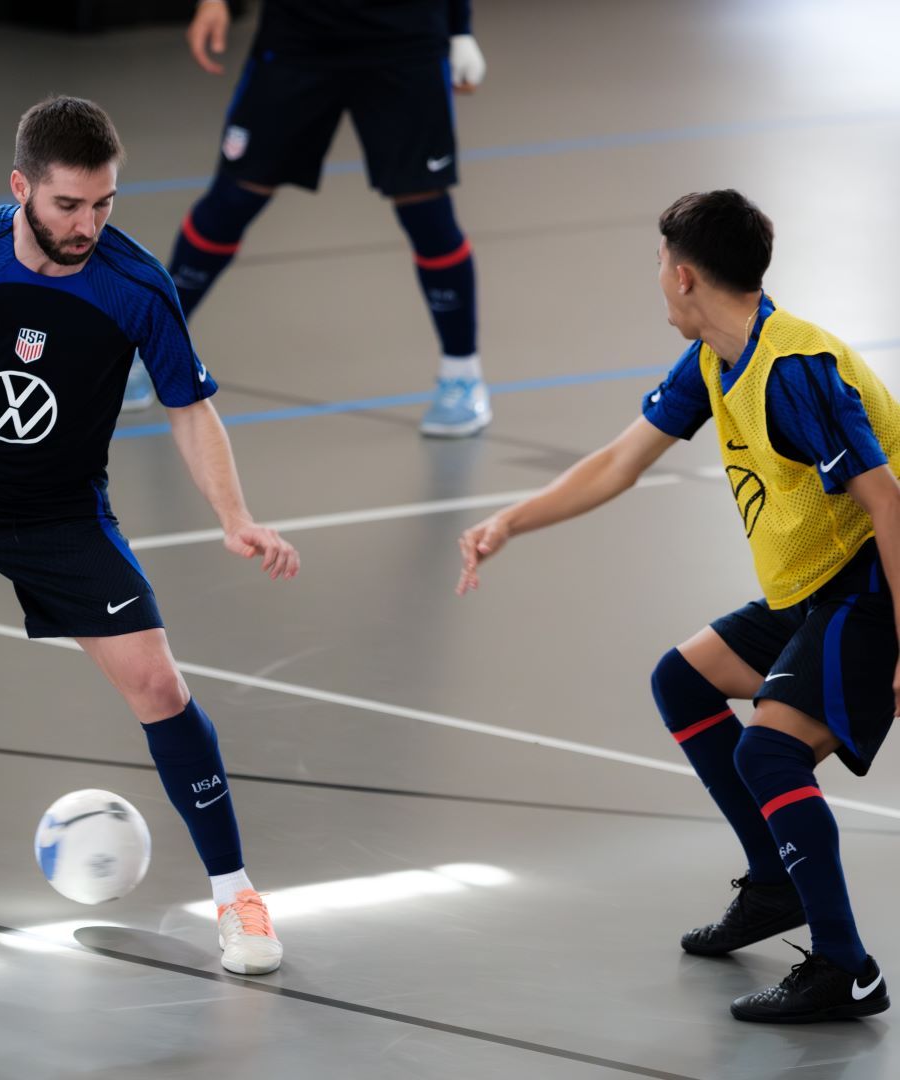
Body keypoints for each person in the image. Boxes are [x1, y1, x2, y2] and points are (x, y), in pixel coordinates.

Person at [0, 95, 298, 976]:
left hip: (58, 508)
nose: (88, 225)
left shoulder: (134, 284)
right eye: (69, 205)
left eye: (105, 203)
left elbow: (191, 410)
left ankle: (237, 897)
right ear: (21, 189)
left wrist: (236, 518)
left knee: (157, 681)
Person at [457, 189, 899, 1023]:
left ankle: (848, 968)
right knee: (683, 682)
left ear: (686, 275)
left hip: (874, 583)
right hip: (813, 585)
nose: (656, 276)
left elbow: (891, 504)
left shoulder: (796, 372)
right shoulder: (714, 357)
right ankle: (774, 883)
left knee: (769, 755)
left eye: (659, 263)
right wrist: (509, 522)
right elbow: (619, 462)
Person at [124, 0, 491, 437]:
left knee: (425, 210)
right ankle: (148, 353)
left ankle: (462, 374)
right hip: (299, 36)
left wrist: (460, 29)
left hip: (405, 39)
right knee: (232, 200)